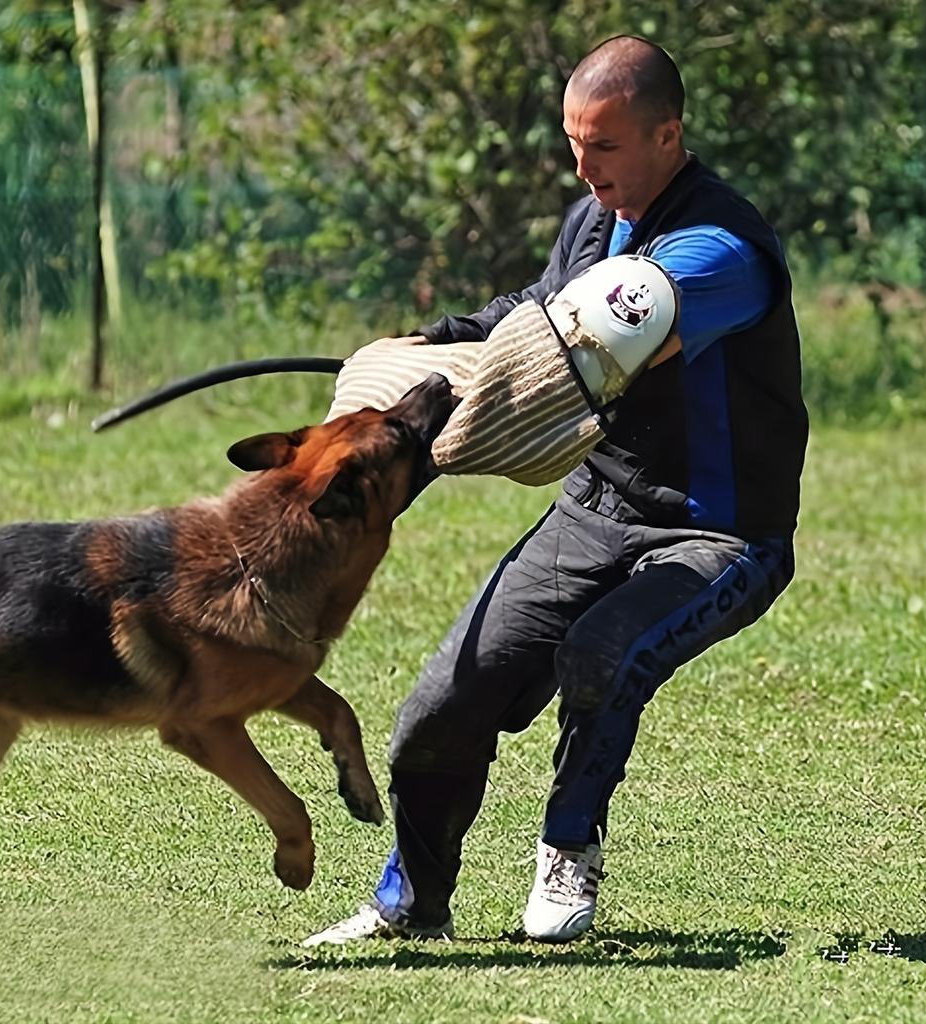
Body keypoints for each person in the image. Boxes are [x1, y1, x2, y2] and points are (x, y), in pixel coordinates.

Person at [303, 34, 808, 946]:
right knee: (437, 711)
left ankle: (569, 847)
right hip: (594, 512)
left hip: (717, 536)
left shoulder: (721, 248)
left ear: (668, 135)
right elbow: (527, 313)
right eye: (575, 145)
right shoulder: (592, 216)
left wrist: (471, 389)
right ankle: (410, 905)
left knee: (601, 654)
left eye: (605, 147)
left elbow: (604, 327)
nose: (585, 168)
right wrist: (426, 347)